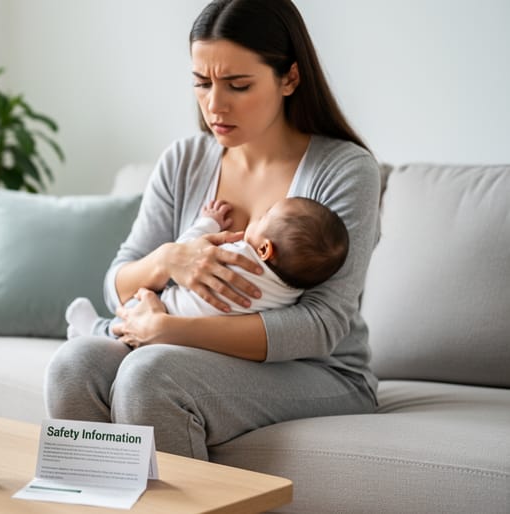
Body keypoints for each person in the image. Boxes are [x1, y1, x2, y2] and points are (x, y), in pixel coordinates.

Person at [44, 0, 381, 461]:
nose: (214, 105)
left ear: (290, 78)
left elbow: (320, 327)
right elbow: (116, 286)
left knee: (151, 375)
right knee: (73, 364)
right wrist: (169, 260)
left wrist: (171, 330)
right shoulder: (184, 161)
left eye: (237, 85)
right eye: (202, 83)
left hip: (318, 370)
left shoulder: (344, 170)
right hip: (181, 348)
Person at [65, 196, 349, 339]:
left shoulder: (241, 256)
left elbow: (188, 252)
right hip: (201, 340)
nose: (258, 216)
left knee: (125, 322)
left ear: (264, 249)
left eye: (264, 216)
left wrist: (208, 223)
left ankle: (93, 330)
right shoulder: (290, 293)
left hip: (168, 312)